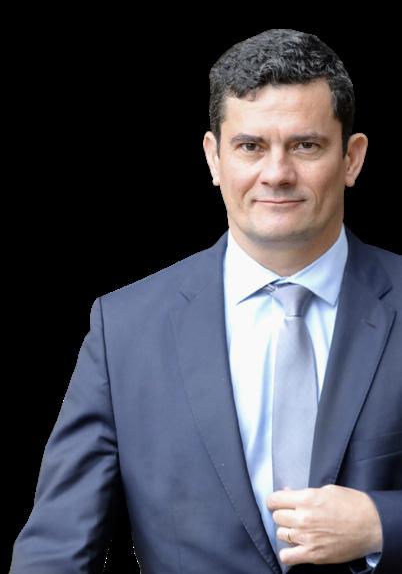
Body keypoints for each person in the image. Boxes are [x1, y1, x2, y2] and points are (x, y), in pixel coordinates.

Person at [10, 29, 401, 574]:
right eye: (251, 147)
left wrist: (384, 524)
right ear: (214, 158)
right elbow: (55, 550)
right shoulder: (125, 330)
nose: (277, 173)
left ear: (352, 158)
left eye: (305, 146)